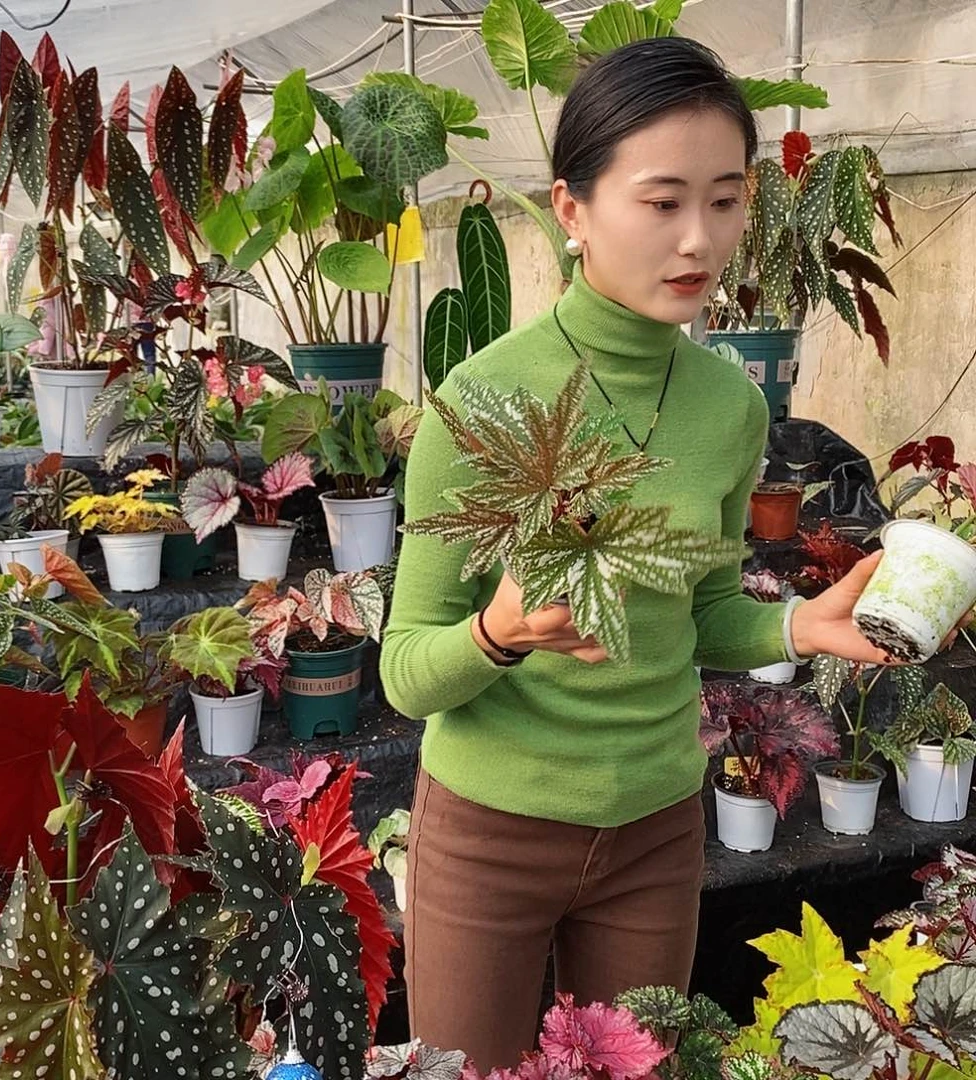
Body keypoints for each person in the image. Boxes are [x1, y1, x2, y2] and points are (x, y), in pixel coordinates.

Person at [379, 36, 898, 1072]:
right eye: (662, 202)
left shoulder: (730, 407)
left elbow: (700, 611)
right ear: (572, 212)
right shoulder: (481, 402)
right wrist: (501, 632)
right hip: (488, 832)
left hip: (657, 828)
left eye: (725, 200)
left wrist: (797, 623)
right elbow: (403, 674)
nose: (698, 240)